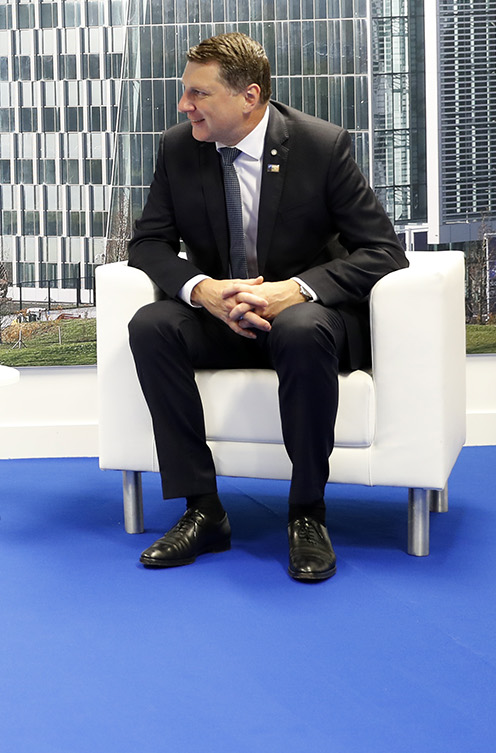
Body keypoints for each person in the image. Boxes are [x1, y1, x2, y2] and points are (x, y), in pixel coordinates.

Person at [126, 33, 407, 582]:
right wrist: (202, 289)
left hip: (303, 320)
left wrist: (295, 289)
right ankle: (202, 510)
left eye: (198, 94)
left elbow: (383, 251)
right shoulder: (179, 148)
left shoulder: (321, 146)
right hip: (222, 317)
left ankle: (307, 515)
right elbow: (149, 244)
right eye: (185, 92)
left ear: (249, 96)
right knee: (152, 324)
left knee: (301, 329)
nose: (184, 106)